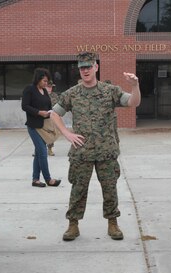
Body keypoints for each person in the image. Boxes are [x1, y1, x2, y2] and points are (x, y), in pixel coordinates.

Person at [50, 52, 141, 241]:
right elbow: (54, 114)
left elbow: (133, 102)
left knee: (110, 188)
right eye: (82, 67)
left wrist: (135, 86)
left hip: (106, 151)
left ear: (96, 67)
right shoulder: (72, 93)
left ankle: (112, 223)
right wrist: (67, 134)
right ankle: (73, 225)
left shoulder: (110, 91)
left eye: (88, 66)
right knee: (78, 189)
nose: (85, 70)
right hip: (81, 151)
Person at [22, 68, 61, 187]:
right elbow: (25, 106)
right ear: (38, 79)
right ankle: (48, 179)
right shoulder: (29, 89)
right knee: (43, 152)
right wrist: (39, 112)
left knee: (39, 153)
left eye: (47, 81)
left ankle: (35, 179)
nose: (46, 83)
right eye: (44, 81)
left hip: (45, 126)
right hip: (34, 126)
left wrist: (52, 114)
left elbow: (49, 106)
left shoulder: (44, 90)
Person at [46, 80, 58, 156]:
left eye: (51, 87)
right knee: (40, 134)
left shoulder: (55, 96)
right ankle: (38, 149)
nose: (50, 88)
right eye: (48, 86)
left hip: (51, 117)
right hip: (42, 117)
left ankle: (50, 149)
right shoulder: (40, 94)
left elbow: (58, 106)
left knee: (50, 134)